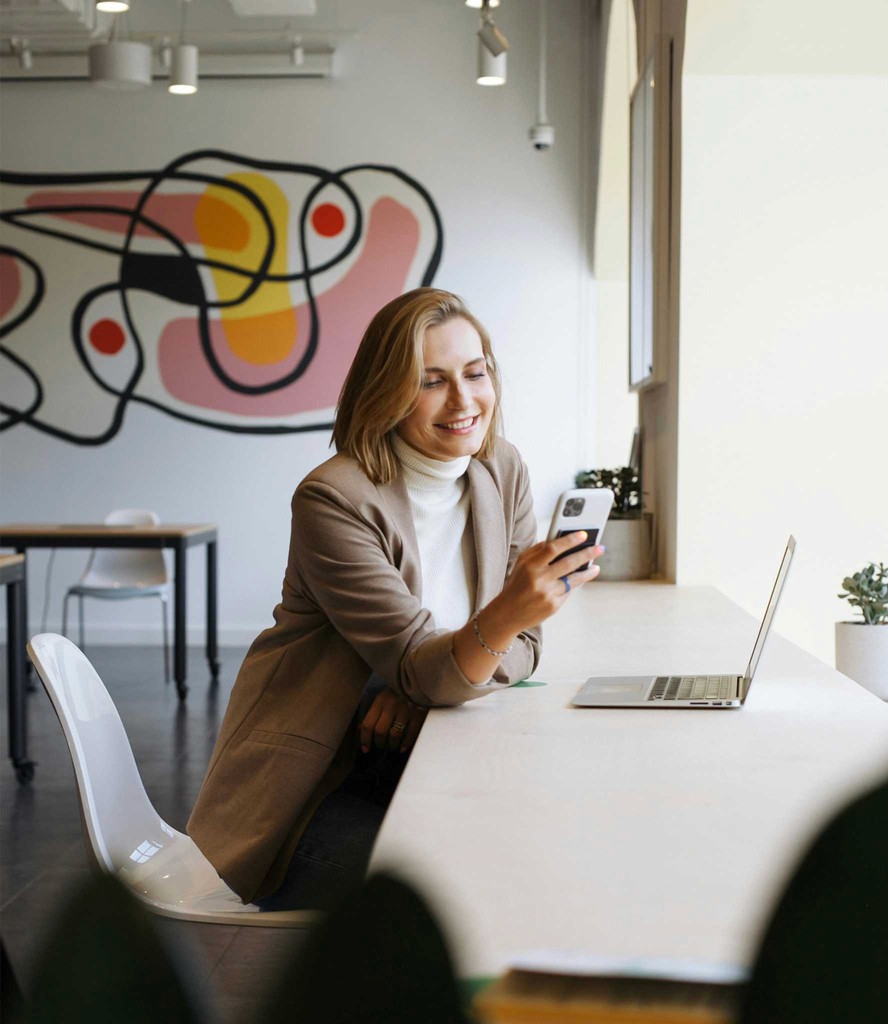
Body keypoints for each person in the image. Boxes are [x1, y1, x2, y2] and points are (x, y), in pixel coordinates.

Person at [187, 288, 604, 909]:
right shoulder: (334, 500)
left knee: (556, 843)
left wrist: (428, 692)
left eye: (474, 372)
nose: (464, 401)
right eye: (431, 381)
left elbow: (524, 650)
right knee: (467, 891)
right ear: (386, 392)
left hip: (425, 749)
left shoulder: (502, 470)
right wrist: (446, 668)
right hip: (330, 780)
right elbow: (438, 662)